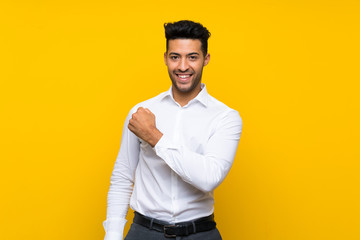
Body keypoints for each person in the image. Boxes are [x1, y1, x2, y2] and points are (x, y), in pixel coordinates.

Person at [103, 20, 243, 240]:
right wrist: (112, 235)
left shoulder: (225, 117)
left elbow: (209, 177)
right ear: (166, 58)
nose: (183, 66)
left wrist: (155, 137)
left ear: (205, 59)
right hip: (144, 233)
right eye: (175, 57)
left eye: (192, 57)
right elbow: (122, 177)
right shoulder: (141, 112)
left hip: (201, 234)